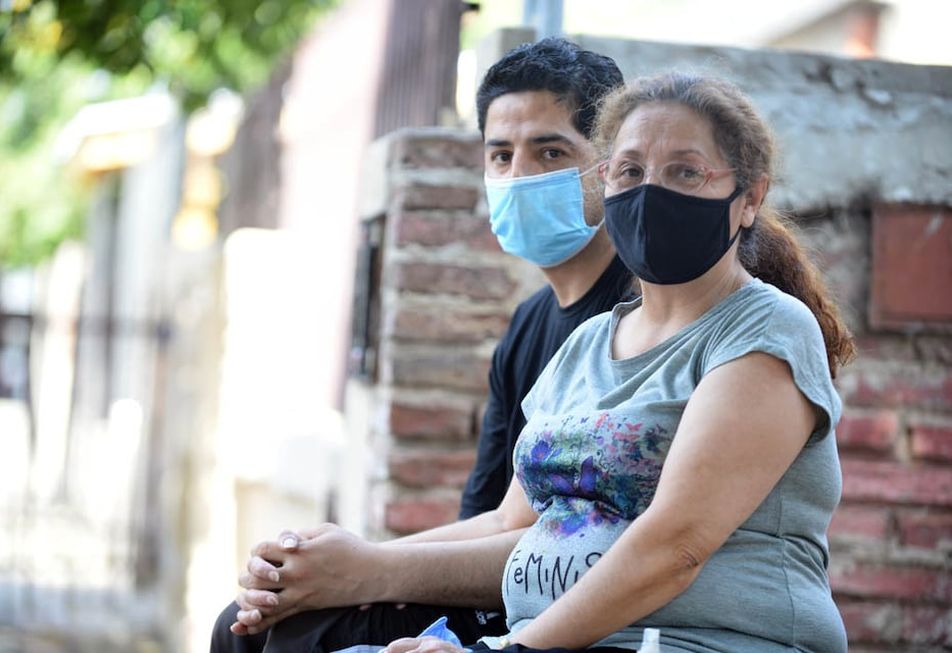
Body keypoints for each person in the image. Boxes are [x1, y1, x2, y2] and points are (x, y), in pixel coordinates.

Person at [223, 71, 857, 653]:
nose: (650, 192)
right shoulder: (585, 345)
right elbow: (508, 520)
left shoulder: (764, 329)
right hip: (547, 639)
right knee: (260, 634)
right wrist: (349, 563)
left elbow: (677, 545)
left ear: (749, 198)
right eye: (630, 171)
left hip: (704, 641)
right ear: (605, 181)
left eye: (685, 173)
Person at [210, 38, 634, 653]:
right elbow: (489, 518)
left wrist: (365, 571)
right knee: (248, 620)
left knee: (289, 636)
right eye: (500, 155)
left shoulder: (637, 314)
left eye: (550, 152)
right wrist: (322, 569)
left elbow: (567, 541)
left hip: (562, 610)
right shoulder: (528, 326)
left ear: (608, 163)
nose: (519, 177)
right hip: (505, 581)